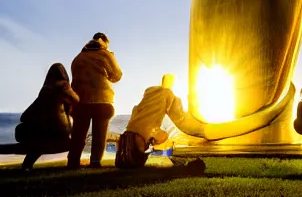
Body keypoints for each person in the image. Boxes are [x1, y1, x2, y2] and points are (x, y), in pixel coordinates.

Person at [115, 74, 204, 169]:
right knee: (166, 139)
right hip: (141, 135)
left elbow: (136, 110)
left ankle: (131, 159)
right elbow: (176, 124)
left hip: (130, 135)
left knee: (162, 139)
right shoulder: (167, 95)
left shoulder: (148, 96)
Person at [67, 32, 123, 169]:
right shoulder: (106, 54)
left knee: (78, 135)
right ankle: (95, 162)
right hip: (102, 100)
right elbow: (117, 75)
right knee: (100, 135)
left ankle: (73, 162)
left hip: (80, 100)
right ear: (104, 41)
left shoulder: (78, 57)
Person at [15, 63, 79, 171]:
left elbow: (26, 115)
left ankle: (27, 165)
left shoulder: (45, 89)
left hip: (47, 129)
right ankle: (27, 166)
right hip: (61, 129)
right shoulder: (64, 85)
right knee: (40, 143)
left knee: (37, 141)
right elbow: (76, 99)